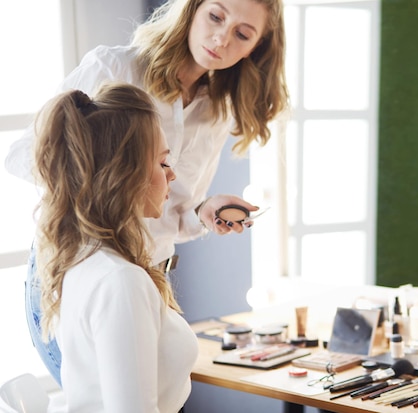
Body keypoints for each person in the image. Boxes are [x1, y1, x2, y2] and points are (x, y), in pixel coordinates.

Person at [4, 0, 288, 386]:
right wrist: (110, 191)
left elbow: (174, 217)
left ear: (257, 46)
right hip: (84, 275)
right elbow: (24, 156)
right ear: (192, 10)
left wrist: (204, 210)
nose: (222, 38)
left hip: (152, 279)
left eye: (242, 33)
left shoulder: (218, 111)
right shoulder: (116, 68)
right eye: (216, 16)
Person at [33, 83, 197, 411]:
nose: (173, 175)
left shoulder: (82, 260)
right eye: (163, 163)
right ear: (127, 175)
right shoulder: (120, 281)